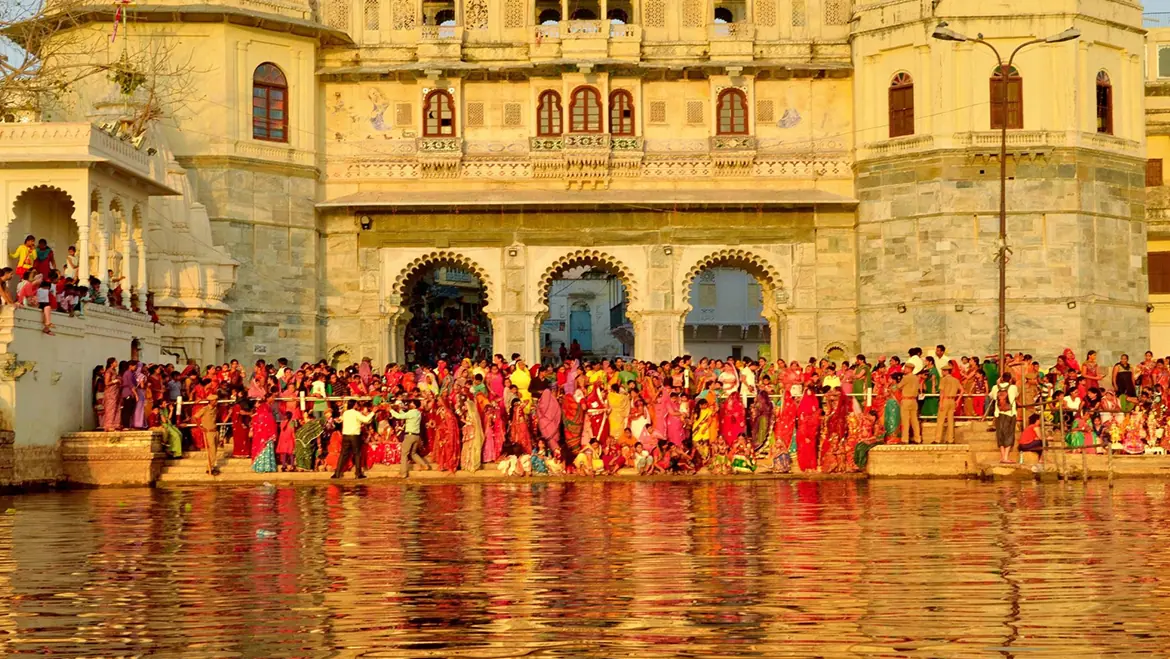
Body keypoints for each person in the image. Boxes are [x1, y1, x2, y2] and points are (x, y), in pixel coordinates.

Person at [332, 400, 374, 479]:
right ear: (354, 405)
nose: (358, 405)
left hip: (346, 435)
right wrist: (373, 412)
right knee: (357, 454)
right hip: (354, 435)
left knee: (343, 454)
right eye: (357, 404)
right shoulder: (356, 413)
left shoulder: (346, 413)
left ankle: (337, 473)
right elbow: (366, 420)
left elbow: (339, 419)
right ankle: (358, 473)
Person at [391, 398, 431, 477]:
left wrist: (390, 410)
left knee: (404, 454)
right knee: (413, 453)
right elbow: (405, 415)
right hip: (416, 436)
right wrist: (399, 409)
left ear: (414, 405)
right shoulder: (418, 413)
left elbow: (399, 417)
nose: (409, 404)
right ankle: (425, 465)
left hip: (409, 435)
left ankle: (403, 473)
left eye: (411, 403)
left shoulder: (411, 412)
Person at [992, 374, 1019, 463]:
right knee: (1009, 434)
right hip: (1010, 413)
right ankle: (1006, 457)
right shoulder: (1013, 387)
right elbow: (1017, 395)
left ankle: (1003, 456)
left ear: (1001, 379)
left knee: (1000, 435)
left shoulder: (995, 387)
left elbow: (991, 396)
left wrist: (997, 383)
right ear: (1010, 379)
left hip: (998, 414)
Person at [935, 362, 961, 444]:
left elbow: (942, 392)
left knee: (940, 420)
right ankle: (950, 439)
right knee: (950, 421)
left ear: (946, 371)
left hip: (945, 399)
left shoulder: (943, 379)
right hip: (952, 400)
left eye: (943, 371)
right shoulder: (956, 380)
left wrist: (941, 403)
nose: (942, 372)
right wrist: (958, 400)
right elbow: (962, 390)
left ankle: (937, 439)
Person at [898, 361, 921, 443]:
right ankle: (917, 438)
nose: (904, 369)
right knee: (915, 420)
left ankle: (905, 438)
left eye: (905, 368)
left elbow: (898, 386)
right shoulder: (916, 378)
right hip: (914, 401)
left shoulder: (906, 378)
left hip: (906, 400)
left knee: (905, 421)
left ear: (909, 369)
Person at [199, 393, 220, 476]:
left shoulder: (215, 409)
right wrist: (200, 427)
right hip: (209, 432)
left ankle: (211, 466)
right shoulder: (205, 409)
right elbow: (195, 417)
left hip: (215, 431)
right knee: (212, 450)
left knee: (214, 450)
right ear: (211, 401)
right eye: (215, 400)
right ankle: (210, 468)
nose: (216, 401)